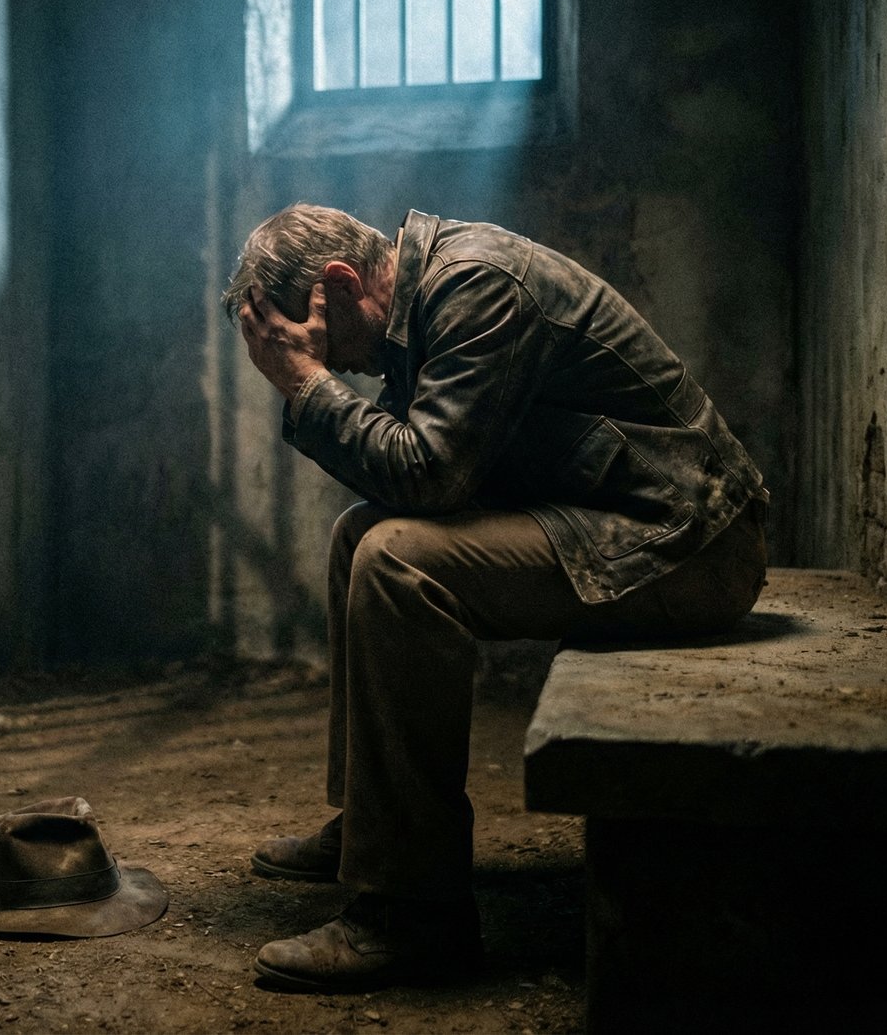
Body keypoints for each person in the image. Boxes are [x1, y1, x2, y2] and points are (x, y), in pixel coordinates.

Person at [224, 204, 768, 993]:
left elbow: (428, 474)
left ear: (339, 285)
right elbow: (427, 473)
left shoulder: (477, 285)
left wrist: (308, 387)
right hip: (612, 515)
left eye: (319, 340)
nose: (335, 364)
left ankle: (414, 913)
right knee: (359, 537)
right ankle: (373, 831)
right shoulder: (425, 298)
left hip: (690, 545)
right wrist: (314, 379)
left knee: (396, 562)